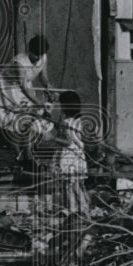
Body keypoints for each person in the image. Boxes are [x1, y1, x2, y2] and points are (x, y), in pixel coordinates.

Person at [0, 35, 56, 163]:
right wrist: (38, 103)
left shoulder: (43, 57)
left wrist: (49, 88)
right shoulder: (20, 62)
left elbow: (43, 77)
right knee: (15, 118)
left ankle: (27, 153)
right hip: (8, 86)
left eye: (40, 55)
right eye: (35, 55)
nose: (38, 58)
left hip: (23, 85)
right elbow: (24, 88)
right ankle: (20, 154)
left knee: (32, 116)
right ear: (29, 51)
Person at [49, 90, 90, 218]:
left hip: (69, 157)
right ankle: (75, 210)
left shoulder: (66, 123)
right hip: (78, 156)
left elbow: (67, 142)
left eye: (61, 106)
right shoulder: (79, 121)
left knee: (72, 186)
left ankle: (83, 209)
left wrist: (53, 138)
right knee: (74, 185)